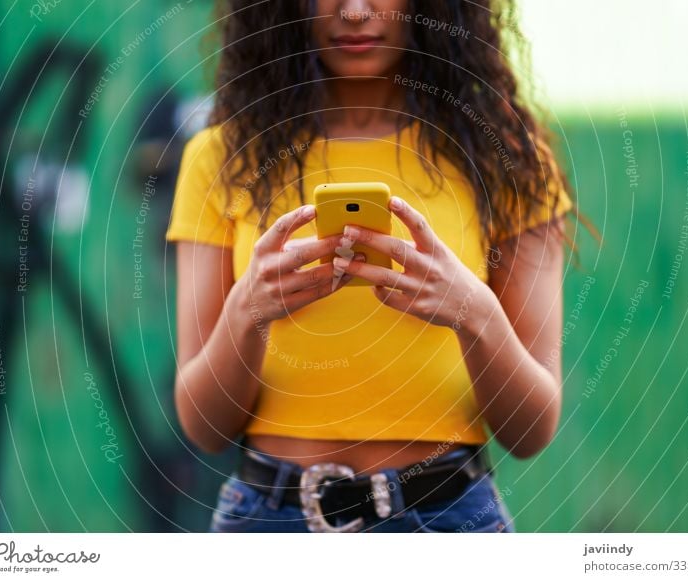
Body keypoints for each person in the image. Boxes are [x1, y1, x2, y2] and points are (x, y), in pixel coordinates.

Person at [165, 0, 577, 533]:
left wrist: (474, 313)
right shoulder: (219, 158)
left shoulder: (509, 159)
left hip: (446, 521)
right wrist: (247, 311)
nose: (356, 11)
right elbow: (205, 427)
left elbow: (531, 431)